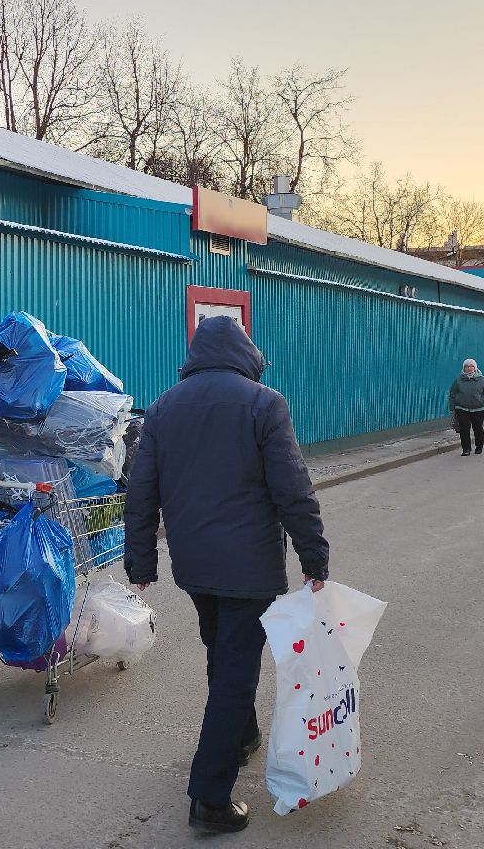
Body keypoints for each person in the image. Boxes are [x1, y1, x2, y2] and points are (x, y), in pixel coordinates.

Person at [124, 316, 330, 834]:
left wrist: (141, 560)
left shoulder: (165, 408)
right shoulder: (264, 403)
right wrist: (314, 556)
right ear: (244, 353)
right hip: (249, 565)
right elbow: (292, 489)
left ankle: (240, 736)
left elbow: (141, 491)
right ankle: (209, 797)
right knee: (236, 669)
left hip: (194, 565)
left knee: (223, 649)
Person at [449, 358, 484, 456]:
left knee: (477, 428)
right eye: (466, 367)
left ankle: (479, 446)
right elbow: (452, 393)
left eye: (471, 366)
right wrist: (453, 407)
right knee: (464, 429)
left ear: (475, 368)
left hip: (479, 409)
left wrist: (483, 400)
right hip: (462, 408)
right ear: (464, 368)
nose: (469, 368)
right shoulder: (459, 380)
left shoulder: (481, 379)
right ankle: (466, 449)